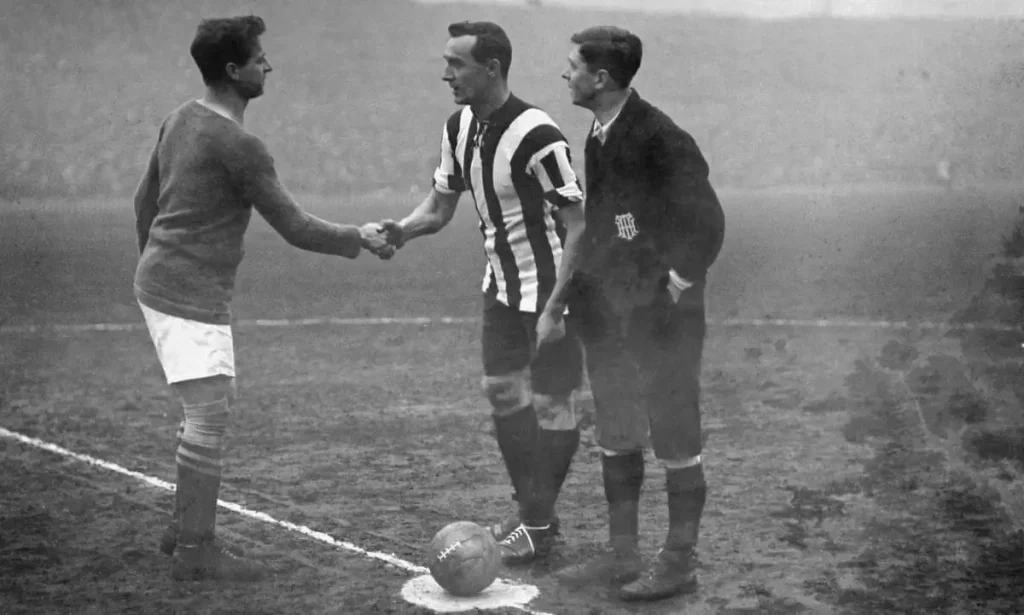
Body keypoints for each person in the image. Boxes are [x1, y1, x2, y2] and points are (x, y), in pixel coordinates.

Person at [134, 15, 393, 582]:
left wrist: (154, 264)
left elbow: (143, 201)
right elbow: (295, 226)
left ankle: (182, 526)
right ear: (233, 70)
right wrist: (360, 237)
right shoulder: (240, 144)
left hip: (165, 281)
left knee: (207, 405)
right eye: (259, 58)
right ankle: (195, 549)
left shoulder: (180, 117)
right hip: (188, 289)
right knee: (209, 414)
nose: (268, 65)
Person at [377, 20, 587, 565]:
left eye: (457, 63)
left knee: (553, 404)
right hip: (500, 288)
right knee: (502, 391)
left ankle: (537, 524)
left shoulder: (539, 134)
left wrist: (559, 306)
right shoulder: (458, 127)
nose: (446, 73)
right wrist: (403, 229)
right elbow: (441, 206)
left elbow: (580, 226)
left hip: (549, 292)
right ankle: (533, 512)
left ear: (491, 68)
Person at [554, 26, 726, 602]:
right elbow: (612, 226)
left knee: (673, 424)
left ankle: (678, 561)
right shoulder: (600, 134)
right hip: (611, 309)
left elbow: (706, 222)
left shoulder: (661, 137)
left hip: (661, 315)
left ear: (600, 78)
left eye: (572, 65)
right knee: (617, 423)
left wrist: (671, 289)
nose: (566, 74)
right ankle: (621, 552)